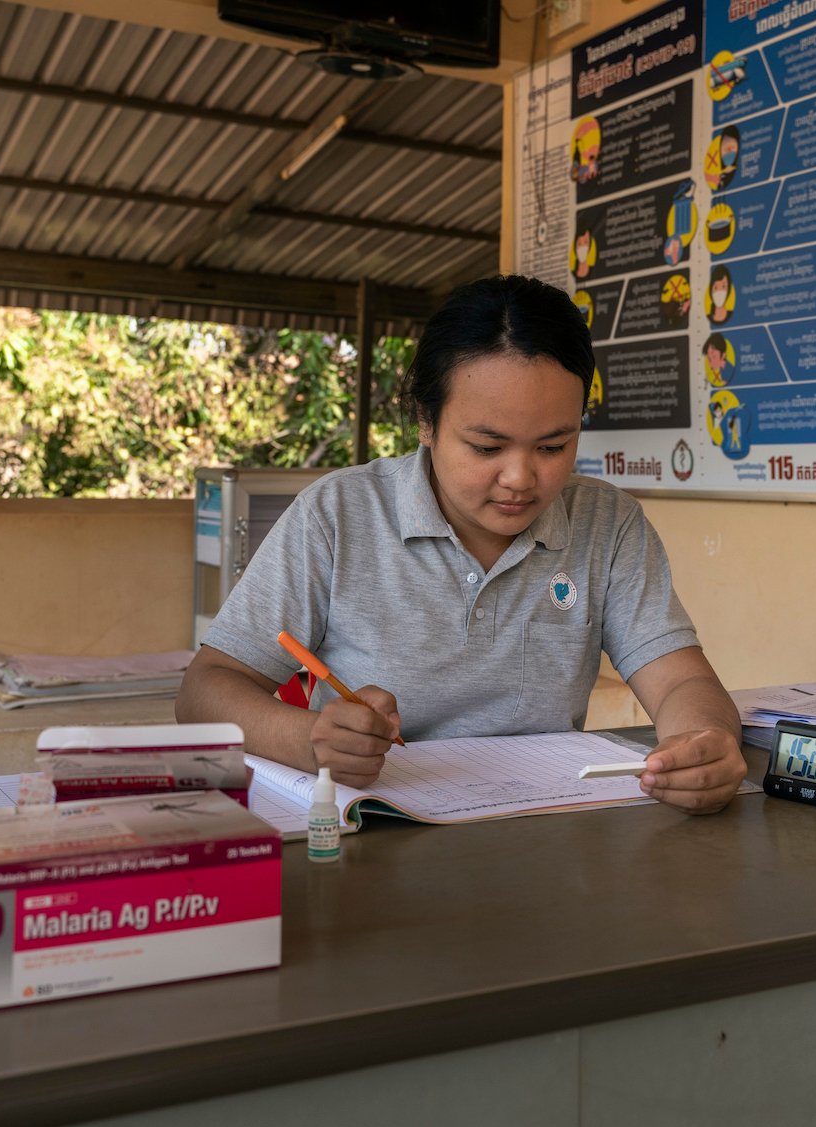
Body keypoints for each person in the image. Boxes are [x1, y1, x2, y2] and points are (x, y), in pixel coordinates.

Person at [176, 276, 748, 815]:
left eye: (553, 447)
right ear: (426, 421)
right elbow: (205, 690)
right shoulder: (339, 515)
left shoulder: (607, 524)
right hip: (372, 832)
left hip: (542, 832)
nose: (521, 478)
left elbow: (681, 681)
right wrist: (309, 740)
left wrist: (705, 743)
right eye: (486, 447)